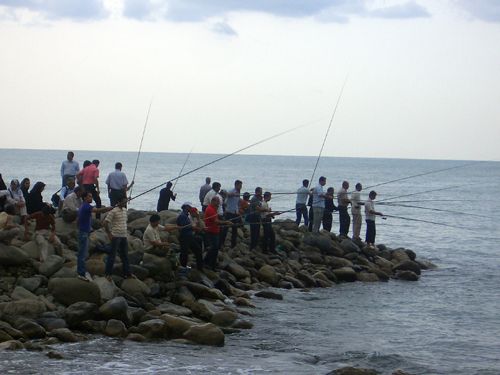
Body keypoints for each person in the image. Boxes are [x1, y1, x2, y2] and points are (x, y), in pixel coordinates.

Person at [77, 192, 112, 281]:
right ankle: (81, 273)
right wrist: (108, 208)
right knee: (82, 254)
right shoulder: (86, 206)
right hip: (84, 233)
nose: (91, 198)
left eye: (91, 196)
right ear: (85, 198)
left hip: (83, 232)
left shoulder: (83, 206)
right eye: (89, 196)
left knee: (82, 253)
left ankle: (81, 271)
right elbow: (98, 211)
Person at [103, 193, 134, 281]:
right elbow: (105, 223)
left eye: (126, 201)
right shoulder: (113, 211)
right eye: (124, 201)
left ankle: (127, 273)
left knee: (125, 255)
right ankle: (107, 274)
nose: (125, 202)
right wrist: (109, 234)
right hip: (115, 236)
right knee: (112, 256)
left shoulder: (125, 210)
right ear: (119, 202)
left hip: (124, 236)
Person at [203, 196, 231, 270]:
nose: (218, 204)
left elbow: (216, 219)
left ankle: (210, 263)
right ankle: (209, 263)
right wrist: (225, 222)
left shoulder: (213, 208)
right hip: (211, 231)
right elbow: (216, 221)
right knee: (214, 248)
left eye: (218, 202)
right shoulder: (210, 209)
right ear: (213, 201)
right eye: (217, 202)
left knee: (214, 248)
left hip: (215, 231)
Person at [176, 202, 204, 271]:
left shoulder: (185, 215)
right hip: (184, 237)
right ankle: (183, 268)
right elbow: (185, 227)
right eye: (189, 207)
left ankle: (199, 268)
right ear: (186, 207)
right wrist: (195, 228)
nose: (190, 208)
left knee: (196, 250)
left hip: (189, 236)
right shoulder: (182, 216)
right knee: (184, 253)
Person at [220, 180, 242, 248]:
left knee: (235, 229)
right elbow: (226, 194)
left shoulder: (239, 192)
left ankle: (233, 244)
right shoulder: (232, 191)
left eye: (241, 186)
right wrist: (232, 195)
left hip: (235, 213)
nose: (241, 187)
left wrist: (238, 210)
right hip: (229, 212)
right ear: (236, 185)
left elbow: (237, 202)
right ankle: (221, 243)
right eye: (240, 186)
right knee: (225, 228)